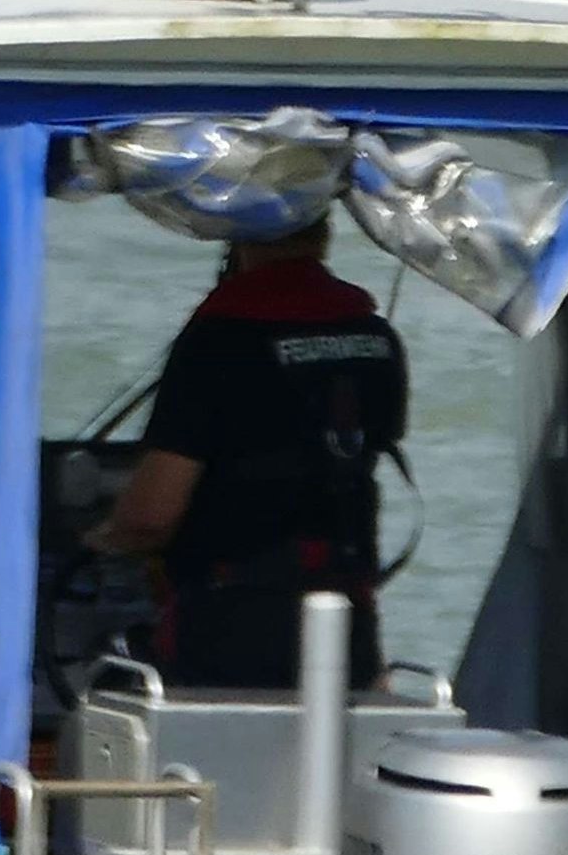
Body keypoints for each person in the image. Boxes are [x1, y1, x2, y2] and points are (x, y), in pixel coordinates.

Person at [83, 217, 408, 691]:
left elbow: (151, 518)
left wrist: (100, 538)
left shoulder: (219, 340)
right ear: (323, 232)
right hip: (345, 622)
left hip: (230, 628)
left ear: (237, 236)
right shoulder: (377, 338)